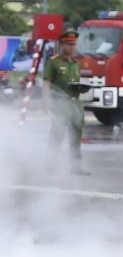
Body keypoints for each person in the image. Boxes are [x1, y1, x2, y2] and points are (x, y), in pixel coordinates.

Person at [42, 29, 86, 170]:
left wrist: (82, 89)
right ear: (61, 45)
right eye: (68, 44)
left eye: (73, 44)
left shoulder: (75, 63)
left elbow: (75, 83)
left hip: (75, 103)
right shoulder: (53, 62)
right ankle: (50, 165)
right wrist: (45, 101)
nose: (72, 47)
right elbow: (46, 82)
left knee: (76, 136)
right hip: (60, 103)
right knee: (57, 135)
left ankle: (76, 167)